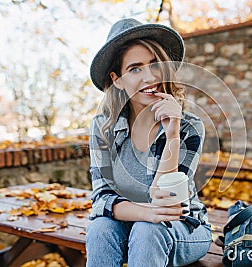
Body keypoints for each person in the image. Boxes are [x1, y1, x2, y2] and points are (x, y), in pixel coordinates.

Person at [86, 18, 211, 267]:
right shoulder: (103, 127)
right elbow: (101, 199)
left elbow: (167, 202)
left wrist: (172, 136)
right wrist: (145, 212)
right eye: (135, 69)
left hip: (182, 227)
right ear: (117, 79)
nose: (149, 76)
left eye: (155, 64)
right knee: (99, 229)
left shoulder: (188, 126)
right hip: (130, 223)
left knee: (147, 231)